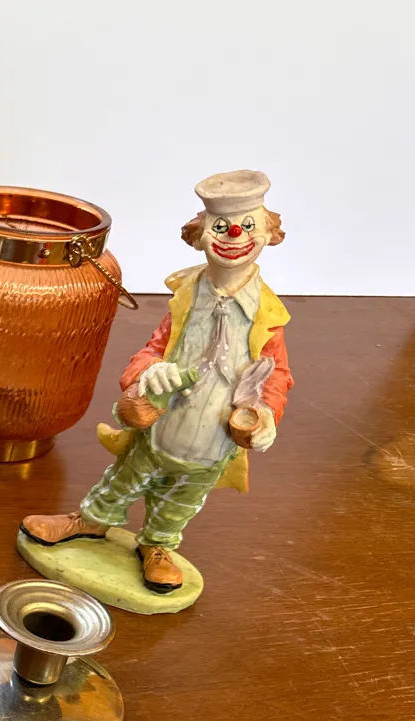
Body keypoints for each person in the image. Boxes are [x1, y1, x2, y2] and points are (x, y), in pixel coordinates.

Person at [21, 170, 292, 593]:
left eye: (247, 225)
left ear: (268, 234)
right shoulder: (187, 298)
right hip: (162, 426)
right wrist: (148, 372)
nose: (235, 234)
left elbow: (276, 375)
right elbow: (151, 350)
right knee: (123, 479)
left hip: (214, 442)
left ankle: (159, 545)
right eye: (221, 226)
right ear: (199, 235)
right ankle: (90, 521)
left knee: (181, 500)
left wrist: (266, 415)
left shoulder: (267, 315)